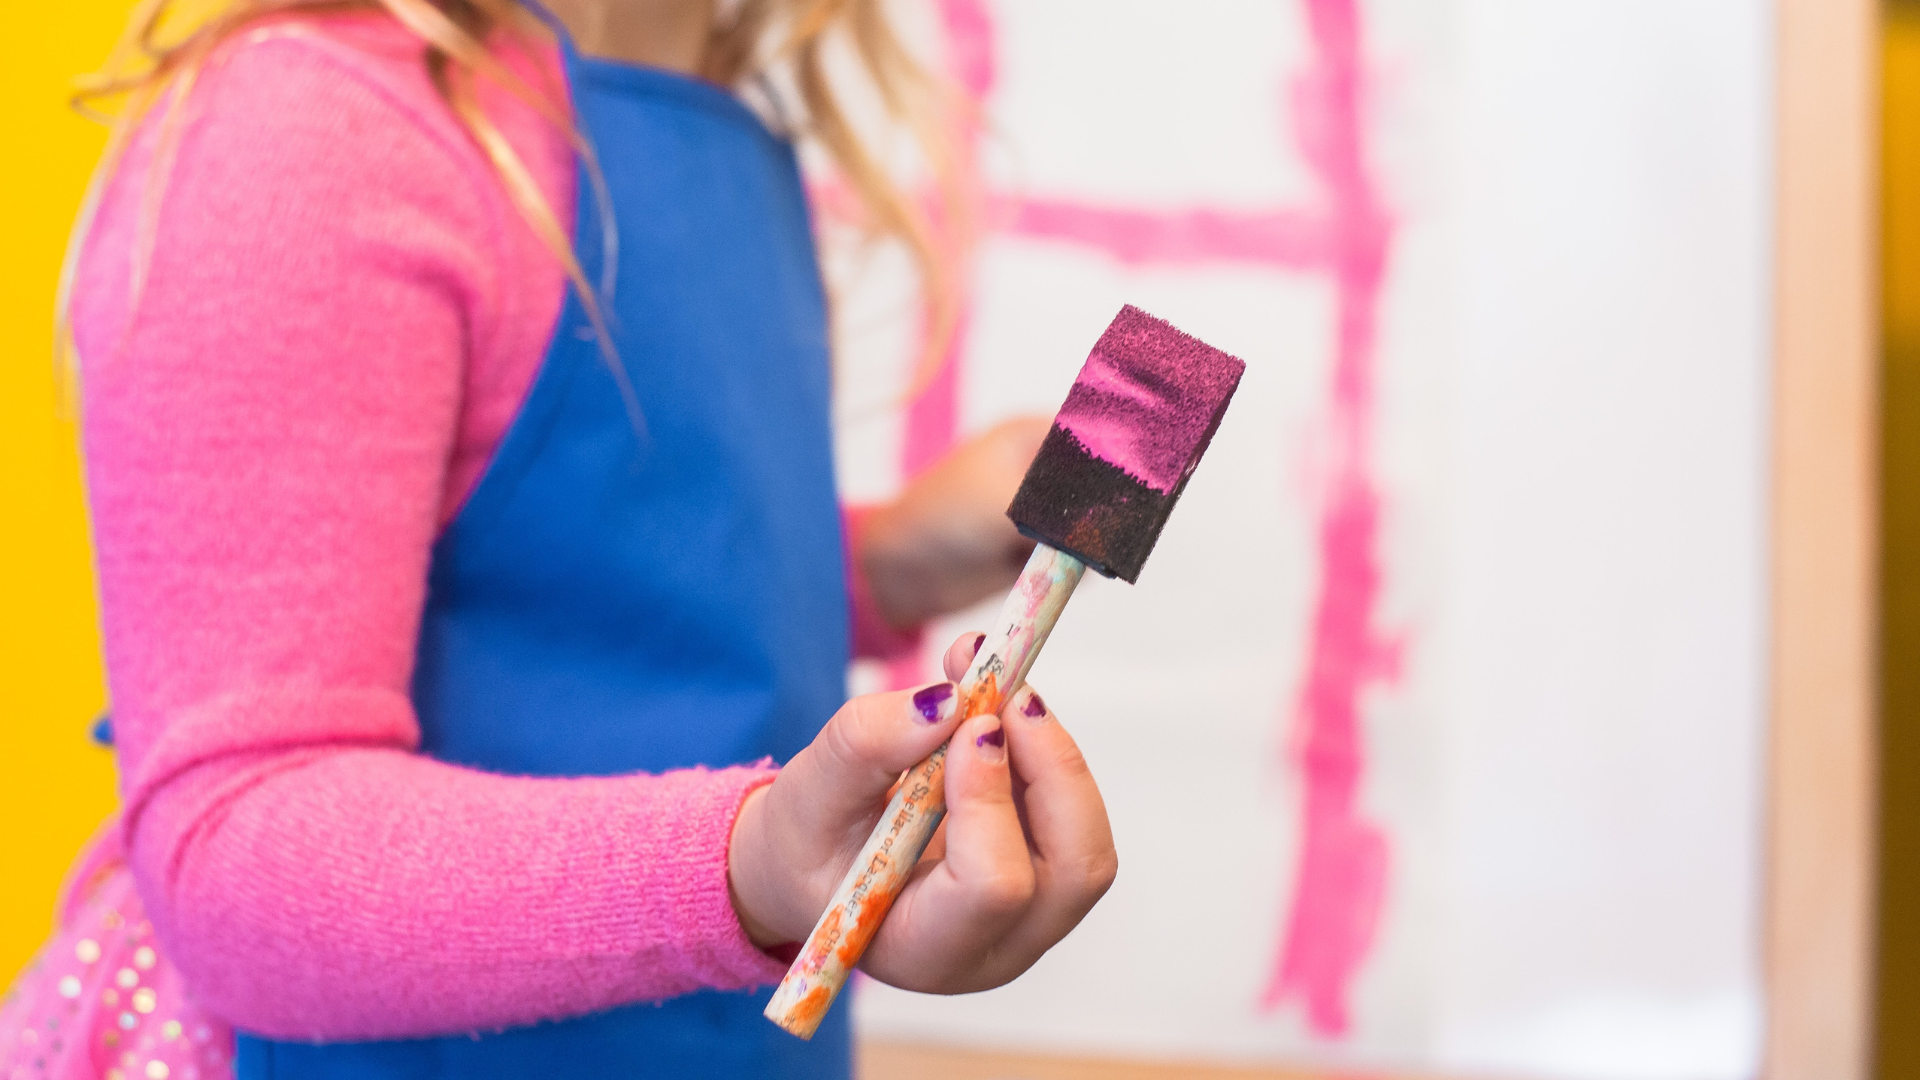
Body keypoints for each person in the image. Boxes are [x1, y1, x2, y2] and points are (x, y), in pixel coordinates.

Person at [7, 0, 1118, 1076]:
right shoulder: (310, 134)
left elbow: (589, 590)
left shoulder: (726, 138)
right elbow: (235, 848)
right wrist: (751, 865)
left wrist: (880, 566)